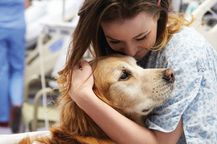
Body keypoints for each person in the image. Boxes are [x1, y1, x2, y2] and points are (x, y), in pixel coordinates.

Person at [57, 0, 217, 143]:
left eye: (141, 37)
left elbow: (159, 143)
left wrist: (83, 96)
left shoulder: (185, 53)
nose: (131, 51)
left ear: (158, 7)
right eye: (115, 41)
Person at [0, 0, 28, 133]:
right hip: (17, 25)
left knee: (2, 70)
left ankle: (4, 117)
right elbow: (26, 4)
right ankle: (17, 103)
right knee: (17, 70)